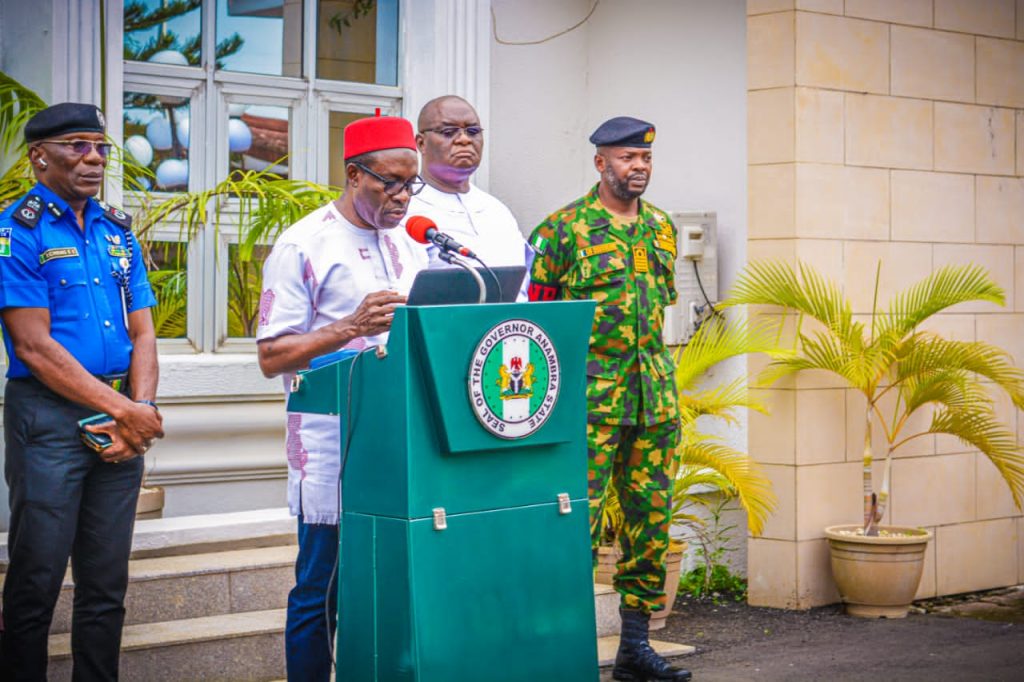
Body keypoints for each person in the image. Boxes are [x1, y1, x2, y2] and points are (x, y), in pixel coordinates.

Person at [256, 114, 427, 681]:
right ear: (354, 174)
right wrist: (349, 326)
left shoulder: (410, 247)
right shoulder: (304, 243)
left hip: (398, 443)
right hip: (333, 446)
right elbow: (272, 357)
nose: (404, 196)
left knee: (384, 586)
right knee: (320, 588)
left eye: (412, 183)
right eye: (391, 183)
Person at [0, 102, 164, 679]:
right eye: (76, 145)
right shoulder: (13, 230)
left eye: (99, 146)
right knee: (35, 581)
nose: (93, 158)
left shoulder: (115, 228)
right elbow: (33, 347)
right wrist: (130, 412)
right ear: (38, 156)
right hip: (46, 420)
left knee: (105, 582)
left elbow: (143, 330)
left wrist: (137, 411)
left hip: (120, 417)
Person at [528, 116, 691, 682]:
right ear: (601, 163)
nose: (638, 167)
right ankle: (563, 647)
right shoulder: (562, 231)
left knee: (649, 525)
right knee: (577, 525)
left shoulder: (663, 229)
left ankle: (635, 649)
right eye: (627, 158)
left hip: (655, 404)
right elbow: (538, 319)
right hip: (590, 406)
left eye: (645, 158)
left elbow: (663, 303)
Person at [405, 95, 531, 299]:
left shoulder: (497, 210)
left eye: (473, 132)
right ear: (421, 143)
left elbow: (521, 291)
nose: (464, 139)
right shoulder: (404, 210)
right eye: (448, 132)